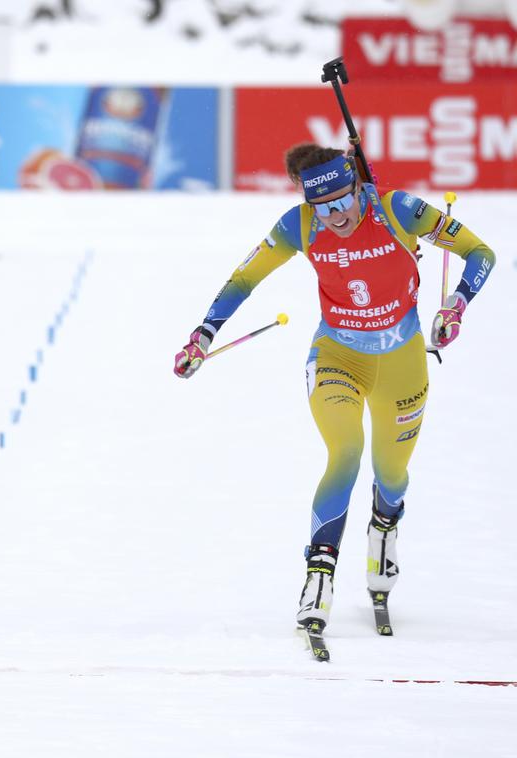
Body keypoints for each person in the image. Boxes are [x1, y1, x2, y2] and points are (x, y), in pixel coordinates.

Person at [173, 144, 496, 634]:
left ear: (356, 185)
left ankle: (383, 529)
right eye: (322, 208)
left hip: (403, 363)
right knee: (346, 451)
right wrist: (203, 335)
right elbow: (244, 278)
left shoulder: (397, 209)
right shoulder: (297, 225)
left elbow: (480, 253)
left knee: (392, 477)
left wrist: (456, 304)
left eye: (342, 201)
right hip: (337, 359)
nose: (336, 216)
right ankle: (318, 577)